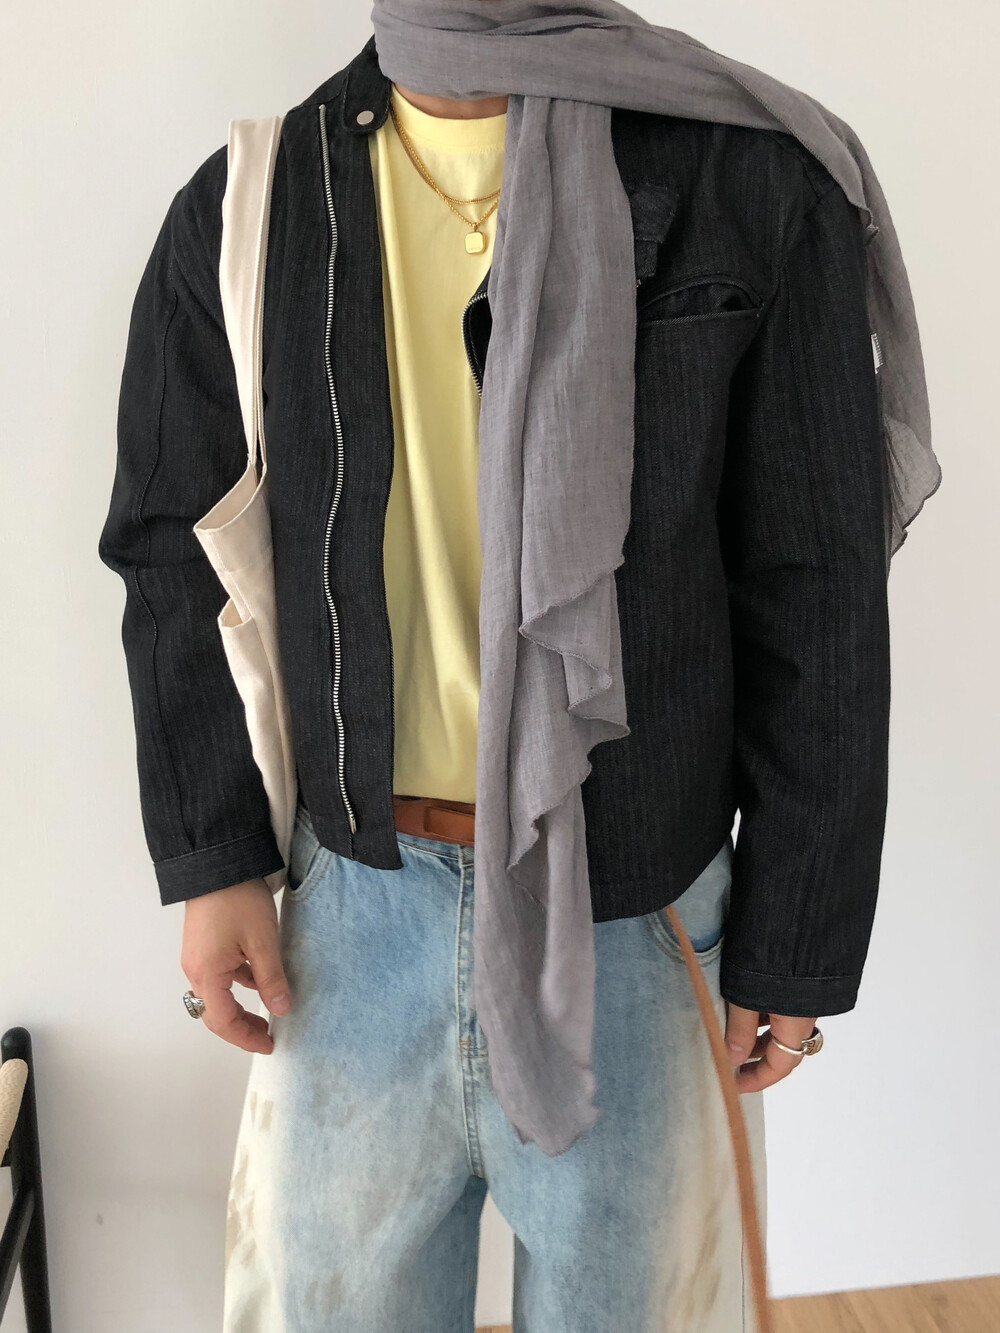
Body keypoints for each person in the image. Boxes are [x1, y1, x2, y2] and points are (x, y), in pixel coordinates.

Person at [98, 5, 934, 1327]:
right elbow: (170, 546)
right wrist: (213, 861)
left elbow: (816, 585)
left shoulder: (749, 180)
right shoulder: (255, 204)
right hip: (351, 917)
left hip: (642, 916)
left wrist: (800, 933)